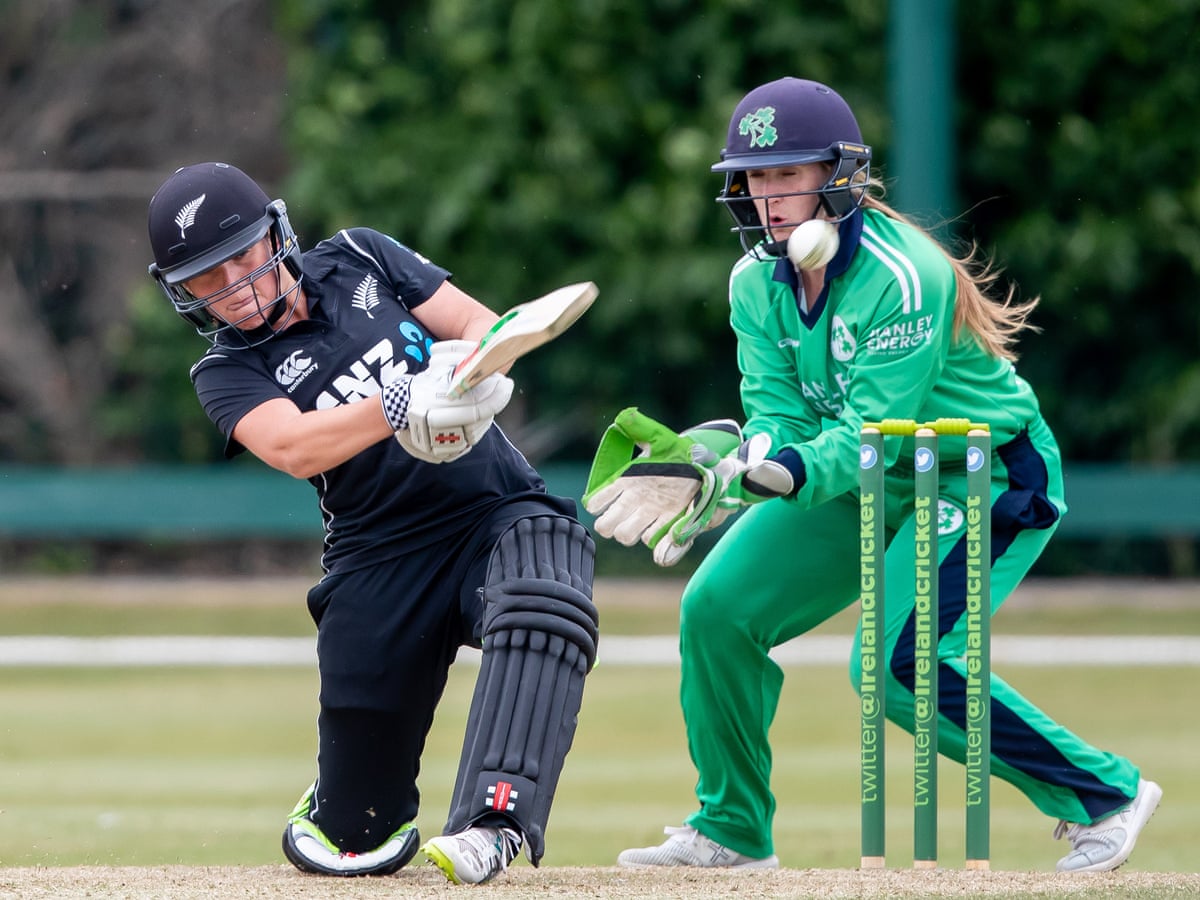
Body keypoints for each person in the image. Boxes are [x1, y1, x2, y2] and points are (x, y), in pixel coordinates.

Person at [584, 77, 1160, 873]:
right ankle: (733, 831)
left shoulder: (902, 275)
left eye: (789, 174)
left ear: (840, 174)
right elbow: (780, 416)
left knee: (893, 664)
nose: (770, 197)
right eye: (755, 178)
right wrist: (738, 467)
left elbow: (870, 438)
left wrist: (772, 474)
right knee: (717, 610)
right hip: (855, 477)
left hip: (980, 480)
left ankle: (1106, 795)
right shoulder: (755, 284)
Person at [146, 162, 598, 885]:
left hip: (493, 508)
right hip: (378, 557)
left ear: (277, 236)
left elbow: (481, 326)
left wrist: (469, 380)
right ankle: (337, 798)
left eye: (242, 259)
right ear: (184, 294)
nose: (234, 286)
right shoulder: (225, 371)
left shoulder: (360, 255)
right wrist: (399, 404)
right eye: (206, 280)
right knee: (357, 838)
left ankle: (493, 823)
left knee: (547, 589)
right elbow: (293, 446)